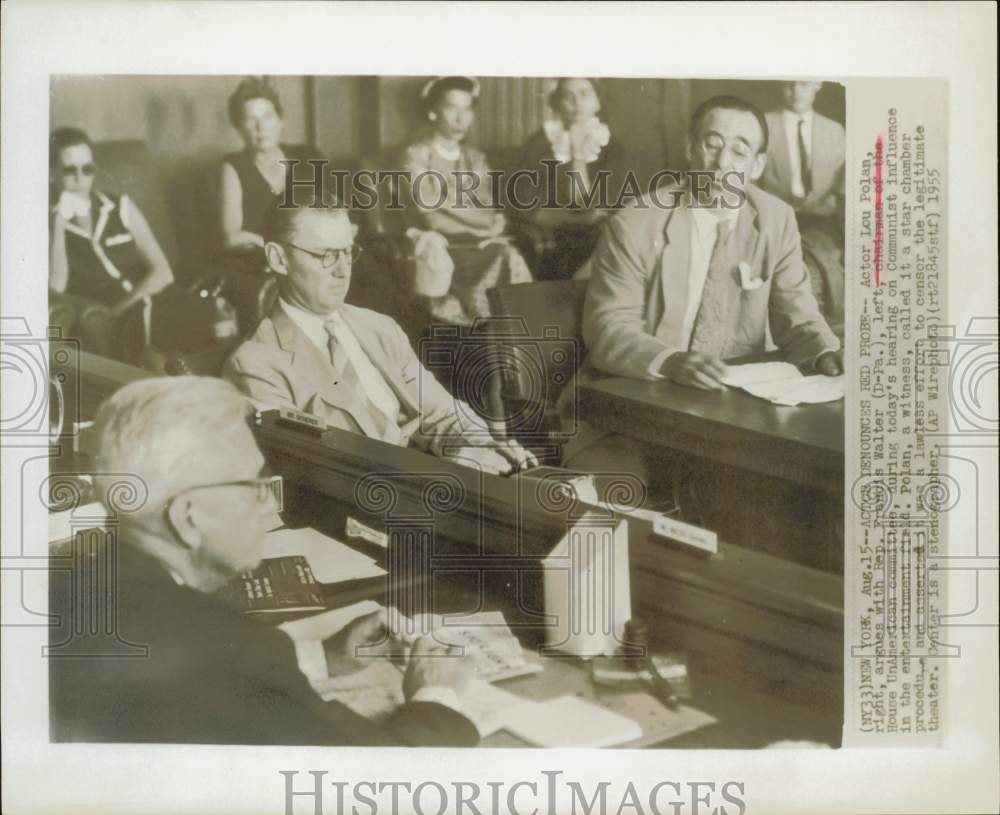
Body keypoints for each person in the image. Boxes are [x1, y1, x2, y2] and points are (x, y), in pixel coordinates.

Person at [48, 376, 479, 746]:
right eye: (253, 486)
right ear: (187, 517)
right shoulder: (232, 654)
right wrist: (436, 695)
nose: (265, 504)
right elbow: (382, 789)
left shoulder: (70, 587)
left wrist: (323, 658)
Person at [561, 95, 842, 488]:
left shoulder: (776, 220)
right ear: (691, 148)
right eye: (712, 144)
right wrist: (672, 360)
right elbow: (607, 328)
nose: (723, 162)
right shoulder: (636, 223)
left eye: (740, 151)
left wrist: (826, 353)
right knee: (619, 497)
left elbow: (798, 313)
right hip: (632, 406)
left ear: (757, 165)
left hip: (732, 416)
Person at [222, 192, 537, 476]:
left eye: (347, 252)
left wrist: (487, 448)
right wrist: (444, 470)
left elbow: (442, 411)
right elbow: (318, 473)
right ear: (278, 258)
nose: (343, 270)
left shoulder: (379, 327)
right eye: (325, 255)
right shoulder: (255, 365)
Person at [399, 76, 532, 325]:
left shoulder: (475, 158)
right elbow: (430, 214)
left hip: (478, 242)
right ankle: (472, 333)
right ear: (432, 111)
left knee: (509, 254)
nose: (461, 118)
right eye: (451, 107)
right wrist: (482, 224)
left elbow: (486, 208)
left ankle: (509, 338)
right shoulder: (416, 156)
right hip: (439, 241)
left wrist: (479, 219)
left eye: (467, 108)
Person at [49, 127, 174, 357]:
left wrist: (123, 308)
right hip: (106, 316)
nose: (80, 179)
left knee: (210, 313)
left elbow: (163, 272)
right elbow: (56, 287)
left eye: (87, 169)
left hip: (144, 302)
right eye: (69, 170)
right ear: (52, 174)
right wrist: (58, 222)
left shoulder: (120, 206)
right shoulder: (45, 223)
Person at [516, 77, 630, 280]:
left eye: (584, 94)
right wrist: (577, 219)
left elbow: (587, 203)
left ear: (598, 101)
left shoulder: (611, 147)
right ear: (557, 103)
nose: (577, 102)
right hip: (550, 237)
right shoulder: (541, 142)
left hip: (597, 237)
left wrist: (577, 151)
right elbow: (526, 207)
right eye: (568, 96)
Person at [759, 81, 846, 330]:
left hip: (822, 218)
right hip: (777, 216)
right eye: (789, 84)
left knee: (827, 260)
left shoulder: (834, 130)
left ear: (818, 85)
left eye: (805, 84)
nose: (796, 92)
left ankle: (834, 325)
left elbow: (843, 187)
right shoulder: (764, 124)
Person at [220, 77, 324, 262]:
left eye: (267, 117)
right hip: (267, 261)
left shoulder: (308, 156)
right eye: (250, 120)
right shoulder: (233, 167)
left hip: (319, 255)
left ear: (280, 120)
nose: (260, 127)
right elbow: (231, 238)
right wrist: (273, 246)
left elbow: (341, 216)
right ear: (239, 127)